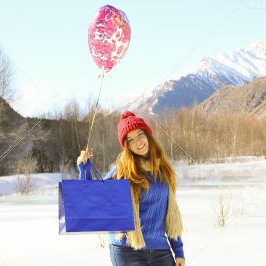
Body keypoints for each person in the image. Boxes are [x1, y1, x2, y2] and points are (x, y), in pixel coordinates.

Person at [77, 111, 185, 266]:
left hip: (160, 250)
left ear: (148, 135)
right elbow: (92, 199)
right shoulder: (121, 172)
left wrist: (179, 252)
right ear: (126, 146)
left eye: (140, 134)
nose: (138, 142)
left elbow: (170, 214)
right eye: (130, 139)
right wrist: (84, 170)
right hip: (127, 250)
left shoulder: (164, 171)